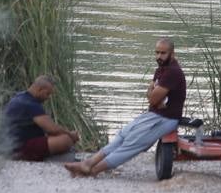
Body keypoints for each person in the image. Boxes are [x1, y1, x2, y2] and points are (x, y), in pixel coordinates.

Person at [65, 37, 185, 177]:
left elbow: (152, 98)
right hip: (154, 115)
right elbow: (151, 97)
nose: (159, 56)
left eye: (163, 53)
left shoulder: (172, 72)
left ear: (172, 53)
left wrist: (154, 96)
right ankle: (88, 163)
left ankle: (92, 171)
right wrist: (154, 97)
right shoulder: (161, 69)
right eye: (157, 52)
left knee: (131, 145)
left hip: (165, 119)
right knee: (122, 136)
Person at [4, 76, 80, 161]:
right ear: (40, 90)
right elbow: (52, 129)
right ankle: (24, 156)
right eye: (47, 94)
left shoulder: (19, 97)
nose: (48, 97)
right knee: (66, 140)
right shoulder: (31, 104)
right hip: (21, 146)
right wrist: (70, 135)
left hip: (11, 144)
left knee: (59, 137)